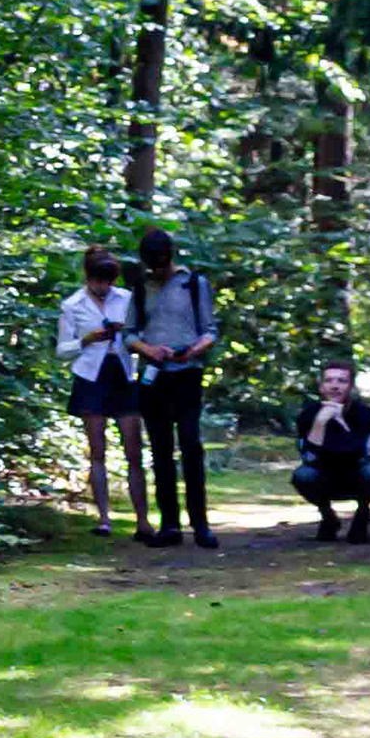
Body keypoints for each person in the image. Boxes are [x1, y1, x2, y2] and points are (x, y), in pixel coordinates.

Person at [126, 228, 220, 548]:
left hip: (187, 373)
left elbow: (210, 331)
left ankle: (201, 524)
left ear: (171, 255)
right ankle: (170, 525)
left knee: (191, 445)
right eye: (152, 264)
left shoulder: (194, 284)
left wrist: (194, 349)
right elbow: (128, 334)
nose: (158, 269)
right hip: (154, 375)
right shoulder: (140, 287)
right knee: (160, 449)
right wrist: (148, 349)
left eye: (162, 262)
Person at [57, 245, 151, 541]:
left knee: (133, 450)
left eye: (109, 281)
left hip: (122, 374)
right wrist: (87, 339)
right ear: (88, 276)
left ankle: (143, 521)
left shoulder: (126, 299)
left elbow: (143, 335)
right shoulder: (72, 305)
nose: (104, 287)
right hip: (90, 377)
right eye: (99, 281)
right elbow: (62, 351)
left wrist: (126, 334)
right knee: (97, 451)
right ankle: (104, 519)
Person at [289, 361, 370, 539]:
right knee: (302, 475)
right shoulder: (307, 415)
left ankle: (362, 515)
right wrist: (320, 422)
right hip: (323, 475)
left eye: (342, 381)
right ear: (321, 386)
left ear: (351, 386)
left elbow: (359, 452)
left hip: (355, 474)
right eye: (329, 381)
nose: (335, 386)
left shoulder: (365, 414)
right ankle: (328, 516)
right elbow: (309, 457)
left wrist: (341, 422)